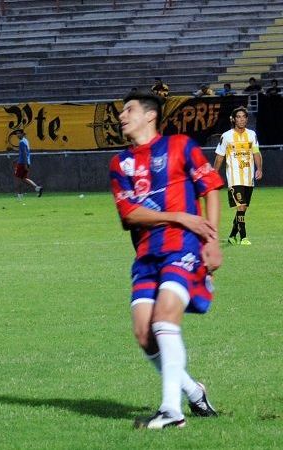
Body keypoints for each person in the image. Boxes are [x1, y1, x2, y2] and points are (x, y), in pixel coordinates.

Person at [109, 90, 221, 430]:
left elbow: (211, 187)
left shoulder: (181, 146)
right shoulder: (120, 163)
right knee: (145, 334)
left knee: (164, 317)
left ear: (150, 115)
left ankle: (171, 410)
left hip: (183, 247)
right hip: (146, 254)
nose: (121, 116)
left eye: (128, 110)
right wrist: (180, 216)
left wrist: (212, 239)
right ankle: (193, 391)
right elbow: (129, 214)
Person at [213, 106, 263, 245]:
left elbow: (256, 153)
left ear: (247, 119)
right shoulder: (227, 136)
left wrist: (259, 169)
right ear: (234, 119)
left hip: (249, 177)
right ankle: (243, 237)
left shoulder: (252, 134)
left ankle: (231, 235)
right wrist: (214, 174)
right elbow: (219, 157)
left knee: (243, 208)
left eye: (243, 117)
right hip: (234, 178)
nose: (241, 119)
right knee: (240, 206)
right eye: (238, 117)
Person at [11, 129, 43, 200]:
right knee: (24, 178)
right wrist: (17, 159)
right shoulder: (26, 141)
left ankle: (19, 195)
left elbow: (25, 153)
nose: (17, 135)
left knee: (18, 179)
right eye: (16, 134)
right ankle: (37, 188)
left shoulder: (22, 142)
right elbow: (24, 153)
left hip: (22, 163)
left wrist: (24, 163)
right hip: (25, 162)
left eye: (19, 133)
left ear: (22, 134)